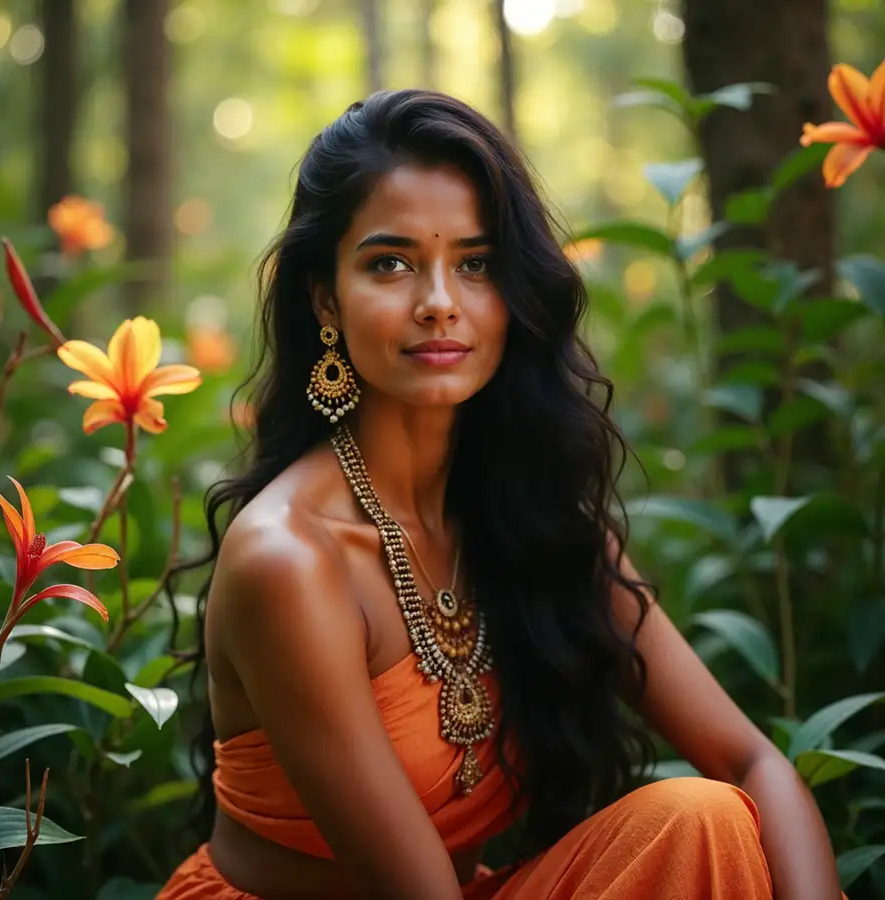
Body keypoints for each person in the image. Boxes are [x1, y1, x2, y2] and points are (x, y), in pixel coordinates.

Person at [157, 89, 845, 900]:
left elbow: (752, 761)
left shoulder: (522, 516)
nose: (440, 301)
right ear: (325, 296)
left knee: (706, 819)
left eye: (475, 264)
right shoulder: (292, 561)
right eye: (391, 262)